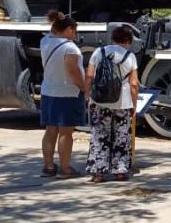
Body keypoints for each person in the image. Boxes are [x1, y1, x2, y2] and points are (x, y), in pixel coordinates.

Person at [85, 26, 139, 183]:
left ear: (113, 38)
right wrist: (134, 104)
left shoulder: (98, 52)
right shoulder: (130, 56)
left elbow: (89, 76)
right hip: (122, 102)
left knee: (99, 135)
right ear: (128, 41)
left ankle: (98, 173)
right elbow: (134, 84)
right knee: (122, 136)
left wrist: (88, 97)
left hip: (100, 101)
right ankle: (120, 171)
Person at [40, 10, 87, 179]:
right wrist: (84, 88)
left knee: (50, 130)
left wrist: (58, 19)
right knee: (66, 132)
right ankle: (65, 168)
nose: (75, 34)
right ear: (67, 30)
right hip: (67, 93)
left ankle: (48, 166)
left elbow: (52, 31)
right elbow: (73, 71)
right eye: (74, 30)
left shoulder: (45, 42)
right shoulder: (70, 48)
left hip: (48, 91)